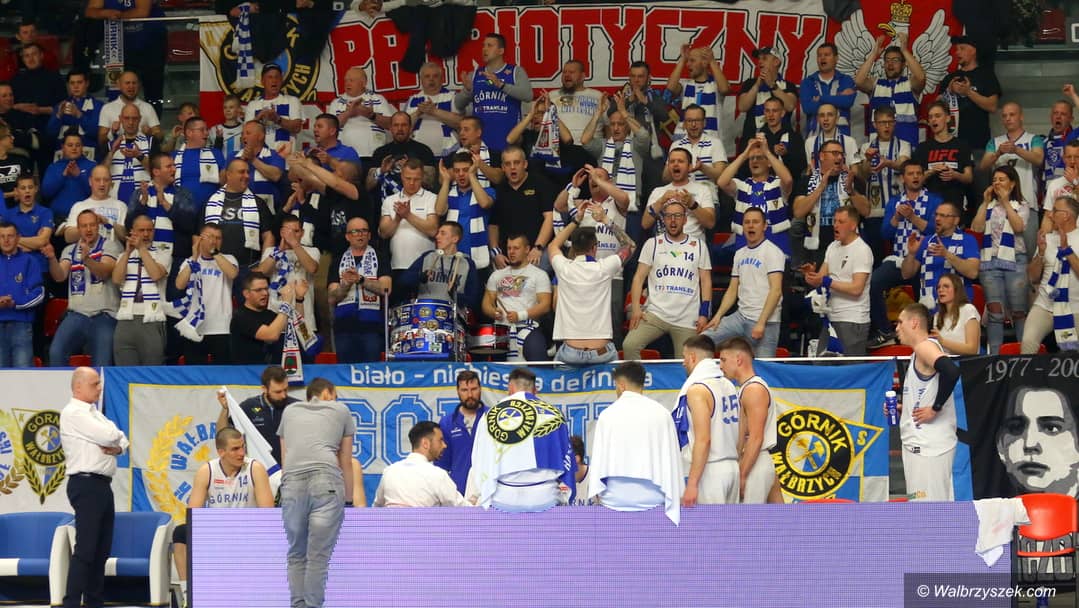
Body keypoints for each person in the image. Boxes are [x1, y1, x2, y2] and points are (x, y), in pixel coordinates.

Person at [171, 427, 274, 608]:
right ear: (221, 452)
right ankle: (188, 593)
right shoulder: (207, 470)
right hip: (217, 529)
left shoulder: (255, 468)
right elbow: (193, 514)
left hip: (247, 529)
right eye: (235, 449)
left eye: (243, 447)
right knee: (180, 533)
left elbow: (267, 514)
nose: (241, 453)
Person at [278, 378, 355, 608]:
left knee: (296, 553)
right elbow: (345, 460)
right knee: (318, 556)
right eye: (335, 396)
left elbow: (285, 458)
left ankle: (298, 605)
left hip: (292, 483)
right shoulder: (341, 410)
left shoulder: (290, 411)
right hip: (326, 481)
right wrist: (348, 501)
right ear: (329, 393)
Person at [59, 367, 128, 608]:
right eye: (94, 384)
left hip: (102, 484)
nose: (99, 388)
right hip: (85, 483)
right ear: (78, 387)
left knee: (101, 550)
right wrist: (115, 440)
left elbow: (122, 440)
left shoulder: (94, 413)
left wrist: (118, 444)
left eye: (99, 383)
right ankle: (70, 603)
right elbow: (110, 436)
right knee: (86, 549)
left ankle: (93, 602)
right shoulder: (74, 413)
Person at [466, 367, 575, 511]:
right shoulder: (555, 415)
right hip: (546, 498)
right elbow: (567, 461)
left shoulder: (490, 415)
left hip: (504, 499)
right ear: (535, 389)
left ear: (510, 388)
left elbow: (480, 461)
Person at [588, 361, 683, 524]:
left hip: (614, 498)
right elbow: (671, 458)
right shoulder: (662, 414)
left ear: (621, 385)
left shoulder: (607, 415)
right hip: (655, 497)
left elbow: (598, 460)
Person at [548, 202, 635, 365]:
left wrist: (576, 220)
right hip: (602, 353)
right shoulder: (604, 268)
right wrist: (605, 219)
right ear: (595, 248)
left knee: (557, 378)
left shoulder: (564, 268)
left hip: (571, 353)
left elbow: (553, 245)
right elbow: (630, 246)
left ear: (573, 248)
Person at [624, 198, 711, 360]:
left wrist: (704, 313)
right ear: (663, 219)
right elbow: (638, 278)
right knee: (629, 345)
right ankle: (637, 377)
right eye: (669, 216)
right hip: (656, 313)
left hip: (687, 317)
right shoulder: (652, 244)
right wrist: (636, 308)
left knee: (687, 361)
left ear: (685, 219)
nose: (673, 220)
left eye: (677, 216)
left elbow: (706, 281)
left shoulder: (699, 246)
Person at [868, 161, 941, 348]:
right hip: (899, 259)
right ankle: (885, 331)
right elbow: (885, 234)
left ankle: (925, 337)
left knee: (925, 297)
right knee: (873, 283)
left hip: (925, 261)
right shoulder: (894, 202)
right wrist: (896, 217)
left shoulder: (934, 200)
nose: (915, 177)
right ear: (902, 178)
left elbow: (936, 230)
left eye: (918, 173)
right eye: (910, 173)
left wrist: (912, 217)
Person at [894, 303, 961, 502]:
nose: (897, 328)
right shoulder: (918, 352)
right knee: (925, 505)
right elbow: (925, 391)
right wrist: (905, 409)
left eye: (900, 322)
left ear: (914, 323)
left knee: (928, 510)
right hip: (922, 445)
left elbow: (951, 371)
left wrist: (935, 408)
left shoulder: (925, 347)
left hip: (928, 446)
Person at [702, 207, 784, 358]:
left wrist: (761, 323)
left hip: (766, 322)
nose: (751, 225)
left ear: (764, 226)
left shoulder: (773, 252)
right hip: (740, 317)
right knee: (702, 341)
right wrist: (718, 316)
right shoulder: (740, 254)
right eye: (747, 222)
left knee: (764, 368)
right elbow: (732, 289)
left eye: (755, 222)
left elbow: (776, 291)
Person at [43, 210, 121, 366]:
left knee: (102, 362)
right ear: (78, 229)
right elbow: (59, 276)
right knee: (56, 352)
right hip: (77, 315)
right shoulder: (70, 250)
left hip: (104, 315)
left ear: (98, 226)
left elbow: (104, 272)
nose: (88, 229)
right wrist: (51, 258)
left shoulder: (110, 246)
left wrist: (87, 260)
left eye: (92, 225)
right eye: (84, 226)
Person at [675, 335, 741, 505]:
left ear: (692, 357)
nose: (683, 363)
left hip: (711, 470)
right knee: (730, 523)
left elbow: (704, 440)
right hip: (732, 467)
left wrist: (692, 483)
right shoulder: (728, 384)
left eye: (684, 357)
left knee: (710, 524)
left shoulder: (697, 390)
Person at [971, 165, 1030, 354]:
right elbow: (977, 228)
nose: (997, 183)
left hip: (1015, 260)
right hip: (990, 261)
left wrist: (1005, 203)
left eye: (1001, 179)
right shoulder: (988, 205)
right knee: (995, 312)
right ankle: (995, 357)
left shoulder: (1021, 205)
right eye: (994, 180)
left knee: (1019, 312)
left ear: (1012, 184)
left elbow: (1018, 227)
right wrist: (984, 202)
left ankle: (1025, 355)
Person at [804, 205, 873, 356]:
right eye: (834, 221)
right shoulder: (832, 247)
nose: (835, 225)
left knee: (849, 368)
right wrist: (811, 275)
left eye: (841, 222)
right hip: (831, 319)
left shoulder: (862, 250)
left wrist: (828, 282)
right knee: (821, 365)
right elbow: (820, 280)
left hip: (853, 319)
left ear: (853, 225)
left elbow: (856, 289)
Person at [716, 336, 778, 503]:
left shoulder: (754, 390)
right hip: (755, 461)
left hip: (754, 462)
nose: (720, 366)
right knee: (777, 515)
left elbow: (756, 438)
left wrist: (742, 475)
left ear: (738, 359)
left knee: (747, 518)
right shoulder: (747, 388)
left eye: (723, 360)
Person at [792, 139, 870, 268]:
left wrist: (851, 191)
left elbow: (866, 211)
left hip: (848, 246)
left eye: (841, 154)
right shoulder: (807, 181)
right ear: (822, 156)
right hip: (817, 248)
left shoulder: (851, 179)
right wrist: (820, 188)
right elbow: (798, 212)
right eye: (834, 153)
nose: (839, 157)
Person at [454, 32, 533, 152]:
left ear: (501, 51)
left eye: (489, 45)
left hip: (508, 140)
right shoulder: (474, 74)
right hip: (480, 143)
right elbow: (458, 104)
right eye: (483, 45)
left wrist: (501, 85)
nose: (484, 49)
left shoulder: (515, 72)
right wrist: (468, 91)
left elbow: (528, 96)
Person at [327, 216, 391, 364]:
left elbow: (386, 289)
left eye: (364, 231)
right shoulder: (337, 261)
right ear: (347, 236)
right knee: (345, 370)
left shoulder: (380, 258)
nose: (360, 235)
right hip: (344, 325)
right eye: (355, 231)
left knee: (371, 369)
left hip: (371, 325)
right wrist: (346, 285)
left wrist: (361, 280)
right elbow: (331, 297)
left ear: (369, 235)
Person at [996, 386, 1079, 496]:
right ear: (1001, 446)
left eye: (1051, 428)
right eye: (1016, 428)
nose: (1030, 444)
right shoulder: (980, 506)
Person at [717, 135, 794, 255]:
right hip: (746, 245)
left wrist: (767, 152)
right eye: (751, 158)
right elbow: (721, 182)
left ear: (769, 163)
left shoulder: (777, 184)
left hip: (776, 244)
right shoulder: (742, 186)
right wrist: (744, 154)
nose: (754, 161)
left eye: (759, 157)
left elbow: (788, 180)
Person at [111, 213, 170, 366]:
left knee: (152, 370)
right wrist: (127, 253)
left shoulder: (162, 253)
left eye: (149, 230)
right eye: (141, 230)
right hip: (125, 319)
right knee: (124, 371)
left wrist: (142, 249)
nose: (145, 234)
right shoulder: (123, 256)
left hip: (152, 318)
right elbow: (116, 279)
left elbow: (155, 274)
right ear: (132, 232)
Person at [173, 223, 238, 364]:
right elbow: (179, 285)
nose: (214, 241)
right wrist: (194, 258)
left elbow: (232, 274)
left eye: (218, 238)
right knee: (195, 373)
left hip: (221, 327)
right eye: (210, 237)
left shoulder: (229, 258)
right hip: (195, 327)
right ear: (200, 239)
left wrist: (214, 252)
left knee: (222, 372)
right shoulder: (189, 261)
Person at [482, 232, 552, 362]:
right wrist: (493, 312)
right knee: (497, 368)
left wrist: (520, 316)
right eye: (509, 248)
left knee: (539, 361)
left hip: (529, 327)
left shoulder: (539, 275)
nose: (511, 252)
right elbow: (487, 303)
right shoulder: (497, 275)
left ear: (527, 249)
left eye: (516, 248)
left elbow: (545, 305)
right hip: (502, 328)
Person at [900, 200, 981, 310]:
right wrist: (911, 254)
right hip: (929, 308)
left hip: (957, 308)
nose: (937, 219)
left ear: (956, 220)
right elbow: (906, 274)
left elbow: (973, 273)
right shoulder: (926, 241)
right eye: (936, 215)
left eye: (943, 216)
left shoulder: (967, 240)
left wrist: (946, 254)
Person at [1023, 195, 1079, 353]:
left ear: (1066, 215)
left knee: (1070, 355)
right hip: (1044, 305)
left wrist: (1067, 250)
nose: (1049, 214)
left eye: (1054, 210)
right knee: (1028, 343)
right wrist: (1040, 253)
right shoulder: (1046, 238)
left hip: (1074, 308)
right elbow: (1033, 277)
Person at [854, 33, 927, 148]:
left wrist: (904, 50)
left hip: (907, 148)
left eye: (895, 60)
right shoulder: (876, 84)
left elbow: (921, 77)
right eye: (887, 60)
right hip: (878, 149)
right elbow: (858, 81)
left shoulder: (910, 84)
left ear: (904, 64)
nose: (890, 64)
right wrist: (874, 54)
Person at [216, 365, 299, 466]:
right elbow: (222, 434)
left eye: (286, 390)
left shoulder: (297, 407)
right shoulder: (249, 406)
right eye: (278, 392)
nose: (283, 395)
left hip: (292, 469)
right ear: (264, 389)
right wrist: (225, 409)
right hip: (258, 470)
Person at [374, 420, 470, 507]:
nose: (444, 445)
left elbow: (376, 508)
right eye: (440, 440)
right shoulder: (437, 475)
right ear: (425, 443)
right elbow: (463, 509)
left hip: (393, 522)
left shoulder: (389, 471)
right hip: (424, 522)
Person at [378, 159, 438, 289]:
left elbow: (433, 230)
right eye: (408, 178)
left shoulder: (431, 198)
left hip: (426, 266)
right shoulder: (390, 201)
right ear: (401, 176)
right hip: (397, 265)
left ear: (422, 177)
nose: (411, 183)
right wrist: (397, 219)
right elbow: (384, 233)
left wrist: (408, 215)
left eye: (416, 179)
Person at [939, 36, 1001, 159]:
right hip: (951, 143)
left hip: (978, 143)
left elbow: (993, 106)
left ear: (973, 51)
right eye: (956, 50)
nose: (957, 53)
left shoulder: (986, 75)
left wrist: (968, 92)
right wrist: (949, 91)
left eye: (962, 49)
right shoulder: (950, 77)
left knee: (980, 171)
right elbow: (936, 107)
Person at [398, 220, 480, 310]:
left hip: (452, 314)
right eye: (438, 233)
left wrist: (455, 295)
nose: (437, 236)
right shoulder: (428, 257)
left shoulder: (467, 263)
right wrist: (419, 276)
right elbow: (403, 281)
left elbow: (472, 300)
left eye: (443, 233)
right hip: (425, 311)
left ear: (455, 239)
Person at [915, 101, 975, 222]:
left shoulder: (962, 145)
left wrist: (955, 175)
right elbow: (915, 180)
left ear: (948, 118)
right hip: (929, 208)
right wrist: (931, 172)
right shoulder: (922, 148)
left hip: (955, 206)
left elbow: (969, 177)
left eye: (937, 116)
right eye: (930, 117)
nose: (933, 120)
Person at [641, 148, 716, 242]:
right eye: (672, 161)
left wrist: (692, 204)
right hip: (664, 246)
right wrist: (661, 202)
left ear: (689, 166)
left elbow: (710, 223)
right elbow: (645, 224)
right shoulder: (658, 191)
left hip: (693, 245)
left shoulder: (703, 190)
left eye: (680, 161)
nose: (675, 164)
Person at [435, 151, 494, 270]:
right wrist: (446, 180)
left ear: (473, 170)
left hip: (478, 258)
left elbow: (484, 203)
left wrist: (472, 176)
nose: (461, 174)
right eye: (457, 171)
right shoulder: (449, 194)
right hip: (452, 257)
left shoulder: (487, 191)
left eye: (466, 170)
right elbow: (439, 211)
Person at [434, 370, 488, 494]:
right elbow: (442, 465)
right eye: (464, 390)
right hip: (458, 492)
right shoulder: (447, 423)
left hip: (488, 491)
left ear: (480, 389)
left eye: (474, 389)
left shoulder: (492, 417)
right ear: (458, 391)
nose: (470, 394)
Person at [327, 66, 394, 163]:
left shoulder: (377, 99)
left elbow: (390, 124)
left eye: (351, 80)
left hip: (372, 155)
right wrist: (348, 113)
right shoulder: (336, 103)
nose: (347, 83)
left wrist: (370, 115)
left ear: (363, 83)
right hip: (344, 157)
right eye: (346, 80)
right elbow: (330, 128)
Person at [230, 272, 299, 366]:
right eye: (259, 290)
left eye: (266, 289)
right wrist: (286, 303)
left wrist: (299, 299)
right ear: (246, 294)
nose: (265, 293)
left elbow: (297, 327)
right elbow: (271, 335)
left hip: (269, 370)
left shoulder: (269, 314)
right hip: (246, 372)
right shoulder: (241, 316)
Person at [0, 220, 44, 367]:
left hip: (21, 326)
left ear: (18, 237)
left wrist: (15, 303)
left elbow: (39, 293)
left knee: (23, 374)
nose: (6, 240)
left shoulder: (30, 261)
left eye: (10, 236)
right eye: (2, 236)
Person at [736, 46, 798, 150]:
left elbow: (790, 106)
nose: (760, 62)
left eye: (764, 58)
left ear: (776, 62)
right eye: (759, 59)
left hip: (780, 142)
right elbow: (742, 106)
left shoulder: (787, 86)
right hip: (752, 140)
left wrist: (772, 85)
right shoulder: (750, 83)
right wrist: (757, 85)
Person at [664, 44, 731, 140]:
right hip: (683, 137)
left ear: (704, 63)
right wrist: (682, 59)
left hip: (709, 138)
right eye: (688, 61)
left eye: (692, 60)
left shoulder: (715, 85)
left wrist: (712, 61)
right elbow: (670, 88)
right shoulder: (685, 84)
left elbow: (725, 89)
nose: (688, 64)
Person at [403, 62, 460, 159]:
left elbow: (460, 123)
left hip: (449, 154)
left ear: (442, 79)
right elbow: (403, 128)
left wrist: (434, 111)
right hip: (418, 157)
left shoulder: (452, 97)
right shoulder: (413, 99)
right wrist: (418, 113)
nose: (431, 79)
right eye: (427, 76)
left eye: (435, 76)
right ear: (421, 80)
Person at [61, 165, 128, 245]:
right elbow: (68, 237)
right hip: (86, 250)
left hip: (112, 250)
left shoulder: (121, 206)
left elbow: (125, 236)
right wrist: (90, 225)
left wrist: (108, 222)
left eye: (106, 180)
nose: (102, 184)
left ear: (111, 182)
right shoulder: (79, 206)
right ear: (90, 181)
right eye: (97, 180)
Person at [95, 71, 161, 153]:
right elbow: (101, 141)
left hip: (142, 156)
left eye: (134, 83)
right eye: (127, 83)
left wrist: (150, 133)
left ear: (139, 85)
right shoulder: (107, 108)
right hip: (116, 156)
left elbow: (160, 137)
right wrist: (112, 132)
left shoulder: (148, 108)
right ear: (119, 85)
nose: (131, 86)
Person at [800, 43, 856, 137]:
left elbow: (847, 101)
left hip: (841, 136)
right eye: (819, 55)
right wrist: (837, 98)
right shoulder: (808, 82)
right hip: (815, 137)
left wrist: (821, 98)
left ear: (836, 58)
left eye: (826, 55)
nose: (822, 58)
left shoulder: (846, 80)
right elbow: (808, 108)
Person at [104, 103, 155, 205]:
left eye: (134, 118)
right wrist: (112, 152)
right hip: (115, 203)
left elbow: (157, 172)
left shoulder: (151, 142)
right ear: (120, 119)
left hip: (145, 201)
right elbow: (101, 173)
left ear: (140, 119)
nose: (131, 122)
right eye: (127, 118)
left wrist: (139, 156)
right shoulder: (111, 144)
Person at [46, 70, 102, 160]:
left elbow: (96, 133)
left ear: (87, 83)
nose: (76, 86)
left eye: (79, 82)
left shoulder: (98, 106)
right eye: (72, 83)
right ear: (68, 85)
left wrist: (79, 116)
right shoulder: (61, 106)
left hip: (89, 155)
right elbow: (50, 135)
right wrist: (58, 116)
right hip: (63, 157)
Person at [243, 64, 303, 150]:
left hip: (285, 156)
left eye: (277, 77)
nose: (274, 80)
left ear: (281, 80)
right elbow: (245, 136)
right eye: (270, 77)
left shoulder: (292, 101)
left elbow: (297, 128)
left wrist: (277, 119)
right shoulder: (253, 105)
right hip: (260, 155)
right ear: (262, 81)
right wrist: (258, 118)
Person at [41, 132, 95, 220]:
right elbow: (45, 193)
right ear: (63, 147)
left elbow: (96, 192)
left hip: (84, 219)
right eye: (70, 145)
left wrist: (79, 176)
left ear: (82, 147)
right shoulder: (53, 167)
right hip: (57, 218)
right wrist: (63, 176)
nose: (74, 148)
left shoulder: (92, 166)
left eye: (78, 145)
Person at [549, 59, 603, 144]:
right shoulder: (552, 96)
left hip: (591, 147)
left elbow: (608, 125)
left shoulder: (598, 96)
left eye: (571, 72)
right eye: (564, 72)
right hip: (561, 146)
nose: (567, 75)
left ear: (582, 76)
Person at [931, 273, 982, 356]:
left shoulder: (968, 310)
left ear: (957, 290)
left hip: (964, 362)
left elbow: (972, 349)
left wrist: (943, 342)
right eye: (938, 287)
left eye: (946, 286)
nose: (940, 290)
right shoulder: (937, 316)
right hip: (943, 361)